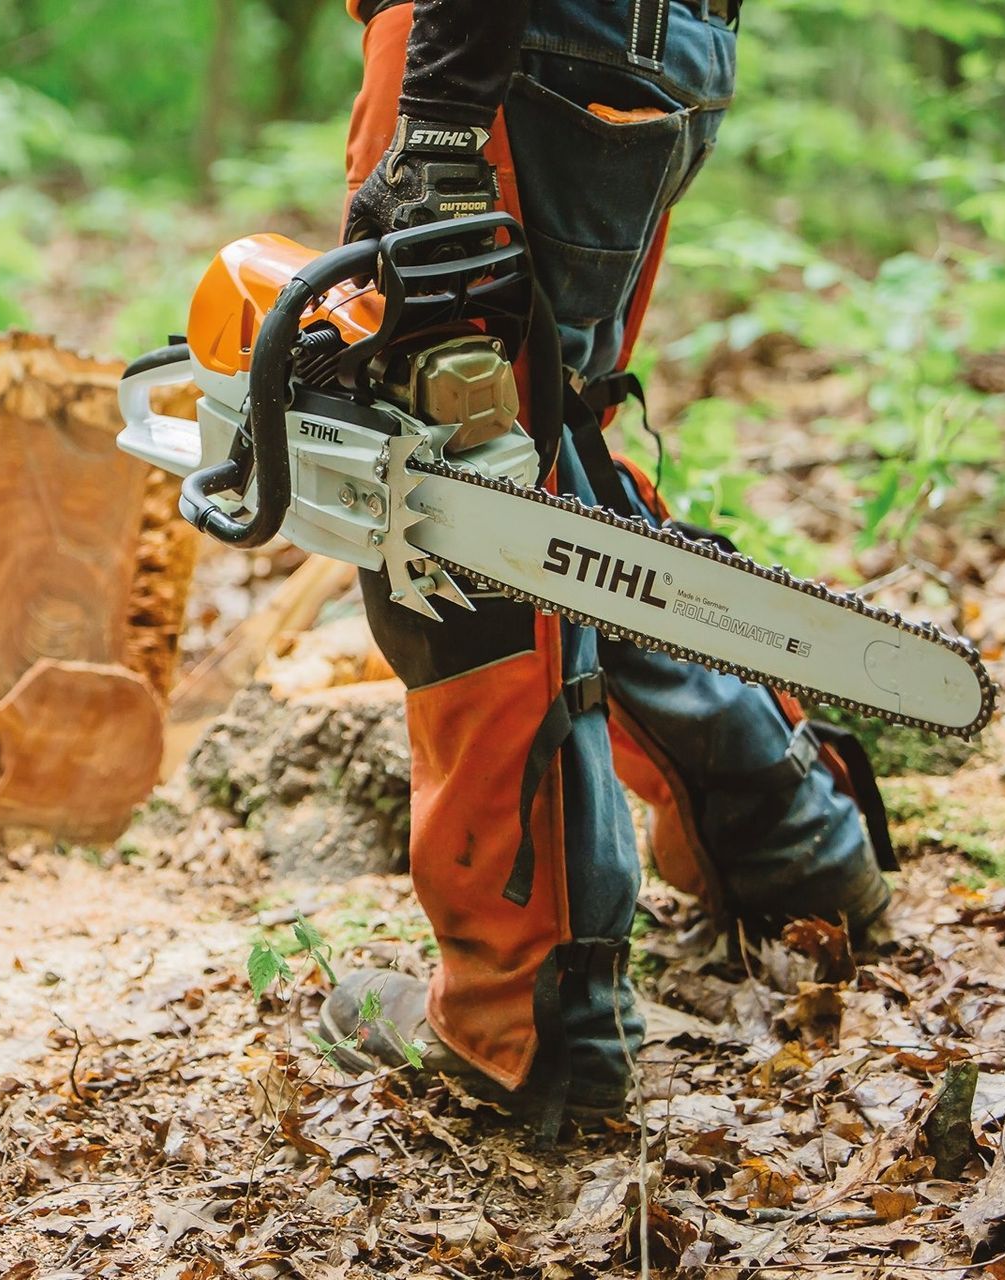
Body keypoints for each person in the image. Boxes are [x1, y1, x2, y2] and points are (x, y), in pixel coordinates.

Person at [316, 0, 898, 1137]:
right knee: (535, 461)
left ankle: (531, 1019)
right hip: (634, 44)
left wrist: (437, 116)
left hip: (496, 48)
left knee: (447, 509)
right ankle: (794, 846)